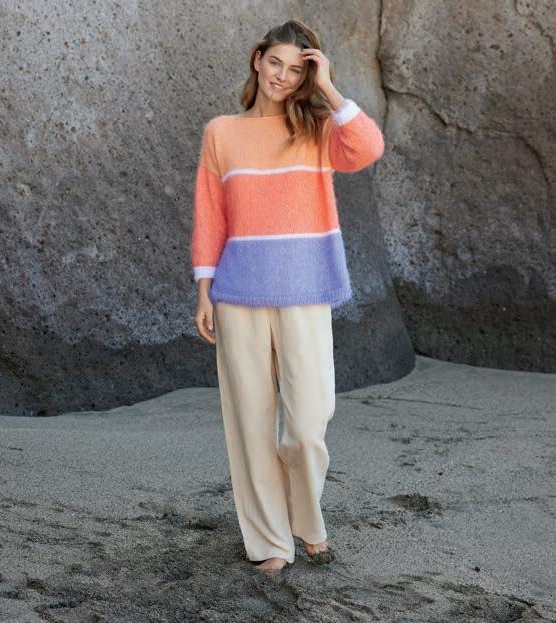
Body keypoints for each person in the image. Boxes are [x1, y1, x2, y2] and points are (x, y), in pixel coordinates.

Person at [191, 19, 384, 578]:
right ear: (257, 60)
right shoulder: (222, 132)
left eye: (297, 69)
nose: (282, 76)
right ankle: (271, 541)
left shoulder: (319, 129)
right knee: (251, 425)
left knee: (307, 424)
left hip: (305, 290)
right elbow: (210, 216)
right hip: (238, 293)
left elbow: (367, 148)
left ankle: (306, 519)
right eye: (275, 62)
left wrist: (328, 87)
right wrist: (204, 289)